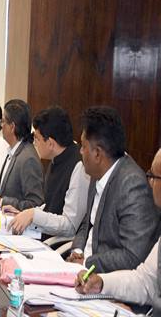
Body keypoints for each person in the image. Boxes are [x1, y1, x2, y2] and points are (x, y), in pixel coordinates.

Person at [67, 106, 159, 273]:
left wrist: (86, 262)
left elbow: (133, 256)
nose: (80, 151)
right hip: (80, 269)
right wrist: (77, 251)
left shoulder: (132, 186)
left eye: (83, 146)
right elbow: (88, 222)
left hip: (105, 279)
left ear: (97, 154)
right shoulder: (97, 172)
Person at [75, 148, 161, 314]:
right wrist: (102, 283)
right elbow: (146, 282)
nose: (149, 182)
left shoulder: (131, 183)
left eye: (153, 176)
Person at [5, 106, 90, 237]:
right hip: (44, 234)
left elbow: (69, 226)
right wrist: (24, 214)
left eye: (37, 138)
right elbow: (50, 205)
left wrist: (33, 215)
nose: (34, 143)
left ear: (50, 143)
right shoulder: (55, 159)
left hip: (58, 242)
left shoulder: (79, 167)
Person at [0, 99, 44, 210]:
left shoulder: (28, 159)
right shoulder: (13, 150)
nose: (1, 125)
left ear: (12, 127)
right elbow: (9, 191)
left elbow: (35, 204)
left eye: (3, 121)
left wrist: (1, 201)